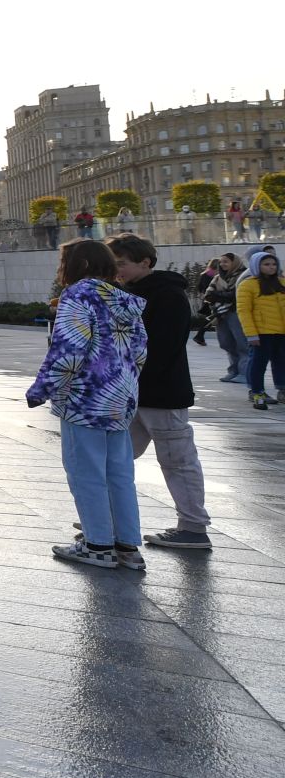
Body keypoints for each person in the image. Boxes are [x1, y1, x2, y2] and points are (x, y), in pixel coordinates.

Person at [25, 239, 148, 570]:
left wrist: (40, 390)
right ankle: (127, 546)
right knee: (120, 473)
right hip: (120, 398)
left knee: (86, 472)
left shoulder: (79, 296)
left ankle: (97, 545)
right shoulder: (124, 298)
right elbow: (140, 351)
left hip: (86, 398)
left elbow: (70, 349)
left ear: (76, 265)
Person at [109, 235, 213, 550]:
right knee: (115, 457)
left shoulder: (168, 296)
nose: (118, 270)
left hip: (163, 395)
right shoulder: (127, 293)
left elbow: (163, 348)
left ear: (145, 262)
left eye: (122, 263)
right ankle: (110, 520)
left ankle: (193, 527)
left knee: (177, 461)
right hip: (134, 395)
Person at [238, 249, 285, 410]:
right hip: (261, 332)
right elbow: (244, 311)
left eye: (273, 264)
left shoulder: (282, 283)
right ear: (257, 266)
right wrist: (251, 334)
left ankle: (282, 389)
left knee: (281, 362)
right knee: (259, 364)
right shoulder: (247, 285)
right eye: (266, 264)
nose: (271, 267)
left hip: (281, 332)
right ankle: (257, 392)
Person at [203, 254, 248, 382]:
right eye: (221, 262)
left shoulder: (243, 276)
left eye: (226, 262)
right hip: (221, 314)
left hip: (236, 312)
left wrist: (219, 295)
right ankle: (233, 371)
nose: (222, 264)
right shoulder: (218, 278)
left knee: (242, 344)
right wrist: (223, 296)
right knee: (226, 343)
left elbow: (235, 296)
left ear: (234, 263)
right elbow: (209, 295)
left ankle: (244, 373)